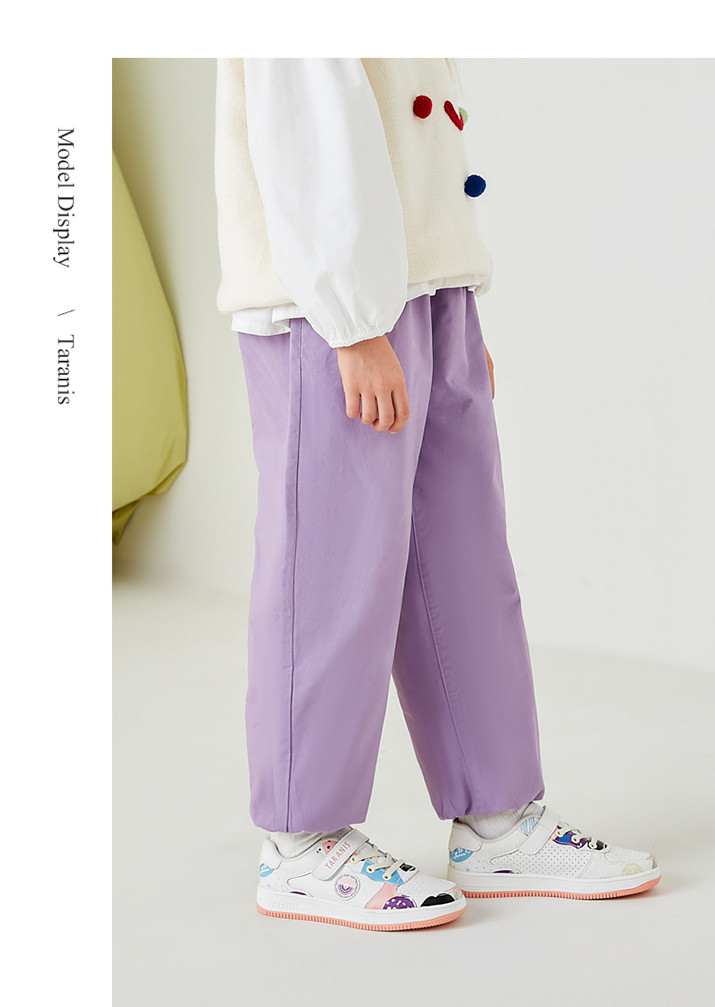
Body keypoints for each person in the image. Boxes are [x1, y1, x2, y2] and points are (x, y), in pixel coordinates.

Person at [213, 57, 661, 931]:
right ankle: (301, 843)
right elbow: (308, 124)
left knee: (462, 558)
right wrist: (353, 323)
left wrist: (450, 297)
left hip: (420, 289)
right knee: (331, 573)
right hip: (329, 306)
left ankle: (497, 819)